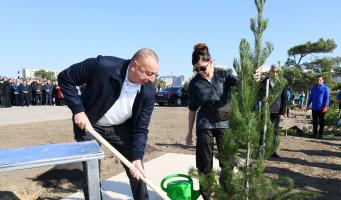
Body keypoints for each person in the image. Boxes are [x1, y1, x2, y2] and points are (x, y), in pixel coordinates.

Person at [58, 48, 159, 200]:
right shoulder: (102, 66)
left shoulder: (148, 91)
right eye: (149, 73)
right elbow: (65, 78)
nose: (152, 79)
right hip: (90, 125)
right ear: (134, 65)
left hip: (120, 128)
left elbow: (141, 127)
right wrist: (78, 110)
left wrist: (137, 156)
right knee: (91, 172)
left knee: (137, 167)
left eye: (155, 74)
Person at [186, 43, 237, 200]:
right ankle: (207, 196)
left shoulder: (224, 75)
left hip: (224, 123)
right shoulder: (195, 83)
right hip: (205, 124)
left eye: (202, 68)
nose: (200, 72)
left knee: (227, 162)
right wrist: (189, 133)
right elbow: (193, 109)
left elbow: (244, 85)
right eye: (196, 69)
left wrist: (254, 77)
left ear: (211, 61)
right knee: (204, 164)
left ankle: (226, 193)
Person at [258, 64, 287, 159]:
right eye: (273, 71)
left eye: (277, 72)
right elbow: (258, 93)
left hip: (277, 111)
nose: (275, 73)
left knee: (274, 132)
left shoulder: (282, 83)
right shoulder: (265, 82)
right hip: (265, 110)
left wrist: (282, 113)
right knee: (263, 131)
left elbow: (285, 99)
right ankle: (261, 151)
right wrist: (263, 97)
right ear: (270, 72)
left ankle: (273, 151)